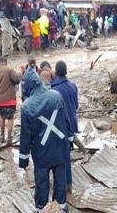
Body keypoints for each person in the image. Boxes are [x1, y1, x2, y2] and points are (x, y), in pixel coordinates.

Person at [19, 69, 73, 213]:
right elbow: (67, 121)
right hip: (60, 148)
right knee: (60, 182)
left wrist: (23, 161)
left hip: (41, 153)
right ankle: (61, 206)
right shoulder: (56, 96)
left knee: (41, 184)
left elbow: (25, 136)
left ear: (28, 86)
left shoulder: (26, 106)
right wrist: (70, 140)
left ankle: (42, 208)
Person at [52, 61, 78, 190]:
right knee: (67, 153)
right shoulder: (73, 86)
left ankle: (63, 184)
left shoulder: (54, 90)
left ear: (55, 72)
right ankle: (68, 183)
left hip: (60, 126)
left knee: (61, 156)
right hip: (72, 123)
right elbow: (76, 106)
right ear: (66, 71)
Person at [0, 57, 22, 144]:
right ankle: (9, 137)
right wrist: (21, 73)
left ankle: (1, 136)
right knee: (10, 118)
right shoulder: (9, 70)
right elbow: (17, 80)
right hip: (9, 100)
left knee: (1, 117)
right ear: (6, 62)